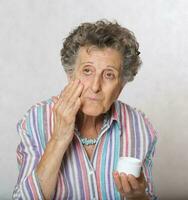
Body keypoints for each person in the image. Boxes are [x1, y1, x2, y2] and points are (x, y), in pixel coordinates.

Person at [13, 20, 158, 200]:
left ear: (121, 85)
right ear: (70, 74)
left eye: (109, 75)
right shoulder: (36, 120)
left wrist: (139, 196)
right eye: (87, 71)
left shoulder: (139, 127)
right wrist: (58, 139)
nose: (95, 86)